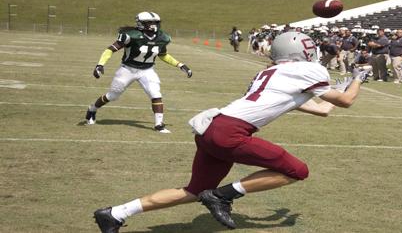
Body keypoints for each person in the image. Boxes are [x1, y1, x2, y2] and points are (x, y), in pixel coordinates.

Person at [93, 31, 368, 232]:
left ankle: (115, 213)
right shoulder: (307, 69)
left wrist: (343, 89)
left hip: (213, 128)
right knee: (298, 171)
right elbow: (346, 102)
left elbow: (323, 109)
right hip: (230, 132)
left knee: (193, 190)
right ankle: (223, 195)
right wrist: (357, 80)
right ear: (303, 52)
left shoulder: (270, 73)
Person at [85, 12, 192, 133]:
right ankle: (92, 109)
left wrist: (180, 65)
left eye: (155, 22)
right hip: (127, 69)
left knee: (156, 94)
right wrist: (100, 64)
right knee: (113, 96)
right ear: (141, 24)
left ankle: (159, 125)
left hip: (147, 70)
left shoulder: (163, 37)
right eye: (150, 22)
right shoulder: (131, 35)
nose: (153, 25)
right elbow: (110, 49)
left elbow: (163, 55)